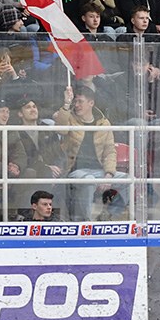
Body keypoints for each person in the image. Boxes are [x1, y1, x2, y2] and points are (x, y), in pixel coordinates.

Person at [54, 86, 121, 221]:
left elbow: (110, 151)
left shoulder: (104, 123)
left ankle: (107, 216)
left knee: (128, 179)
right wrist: (66, 104)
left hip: (99, 171)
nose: (76, 105)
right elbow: (61, 130)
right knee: (89, 180)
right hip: (75, 170)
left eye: (80, 101)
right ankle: (86, 222)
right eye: (75, 102)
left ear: (91, 103)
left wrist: (109, 174)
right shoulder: (69, 117)